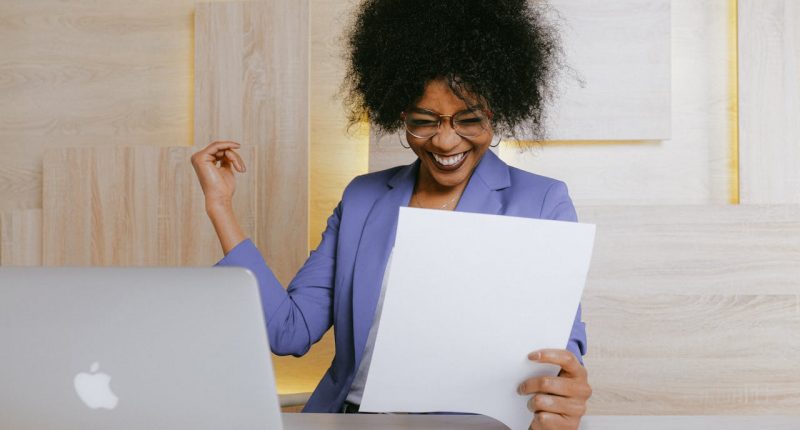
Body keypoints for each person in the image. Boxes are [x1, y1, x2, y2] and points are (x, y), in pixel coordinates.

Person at [191, 0, 591, 428]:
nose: (444, 140)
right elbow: (289, 331)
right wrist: (220, 207)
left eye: (468, 119)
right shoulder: (363, 198)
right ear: (400, 114)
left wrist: (565, 390)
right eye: (424, 120)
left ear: (496, 112)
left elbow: (561, 348)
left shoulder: (541, 203)